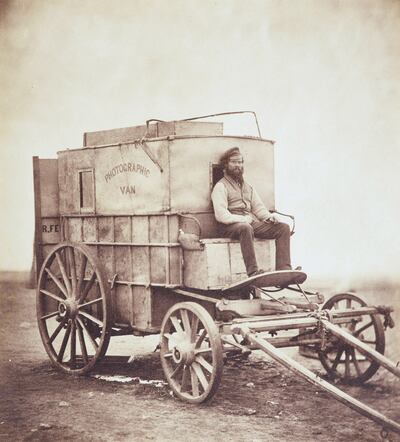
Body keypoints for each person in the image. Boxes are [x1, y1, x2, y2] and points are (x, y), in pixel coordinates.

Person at [211, 146, 295, 277]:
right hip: (228, 226)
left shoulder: (248, 187)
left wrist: (269, 217)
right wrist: (243, 219)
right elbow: (221, 215)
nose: (237, 165)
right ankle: (253, 272)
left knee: (283, 228)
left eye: (240, 162)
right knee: (245, 228)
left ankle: (284, 269)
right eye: (234, 162)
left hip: (248, 223)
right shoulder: (220, 186)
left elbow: (258, 208)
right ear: (226, 165)